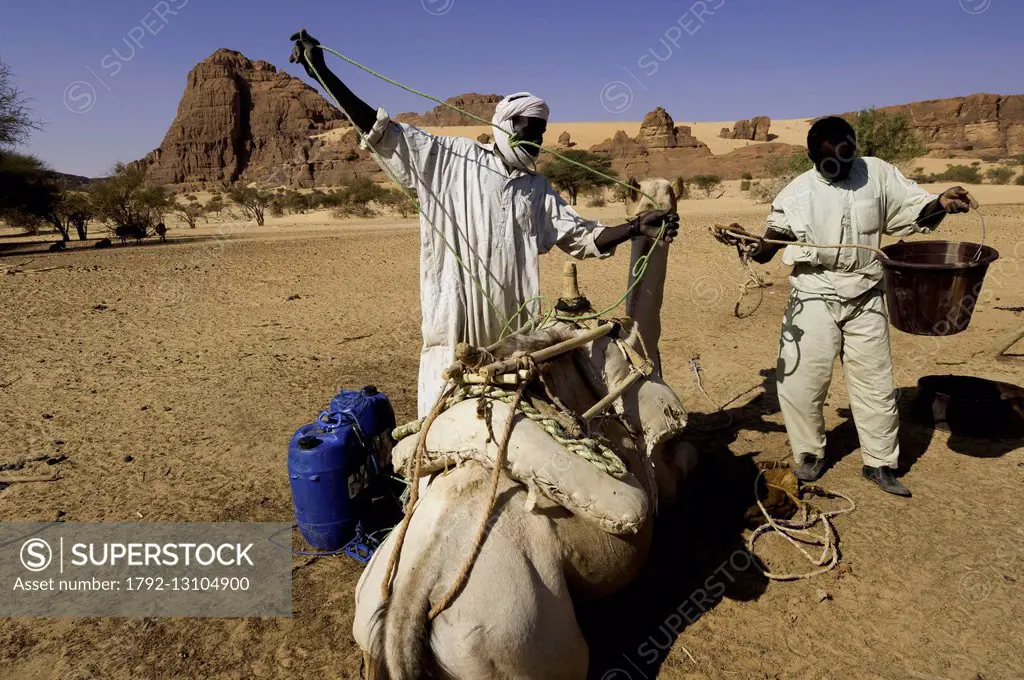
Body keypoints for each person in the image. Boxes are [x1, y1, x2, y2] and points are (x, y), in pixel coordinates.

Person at [289, 30, 680, 417]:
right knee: (440, 448)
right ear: (507, 127)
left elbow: (584, 236)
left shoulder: (537, 189)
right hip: (453, 342)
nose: (537, 142)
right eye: (530, 132)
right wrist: (322, 72)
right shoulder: (447, 159)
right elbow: (378, 132)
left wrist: (636, 227)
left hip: (517, 351)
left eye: (541, 134)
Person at [716, 116, 973, 497]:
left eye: (847, 159)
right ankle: (809, 454)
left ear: (854, 148)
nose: (839, 170)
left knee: (876, 384)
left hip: (867, 296)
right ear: (811, 157)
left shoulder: (878, 173)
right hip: (813, 298)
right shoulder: (795, 193)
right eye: (828, 165)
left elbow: (918, 211)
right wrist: (745, 242)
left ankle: (880, 463)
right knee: (801, 384)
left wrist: (941, 202)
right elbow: (768, 250)